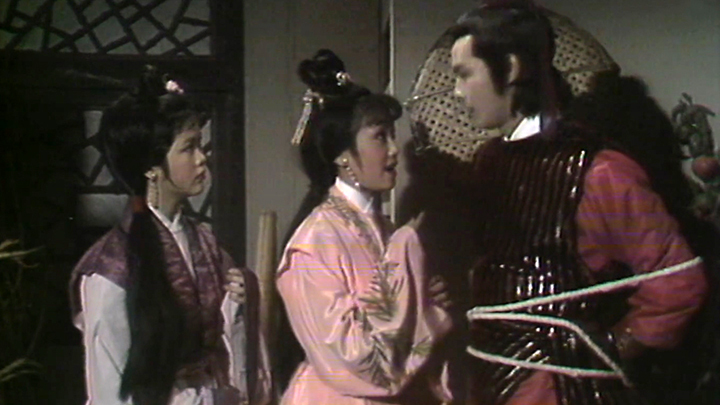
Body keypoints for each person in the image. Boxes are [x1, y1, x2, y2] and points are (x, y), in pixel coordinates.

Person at [428, 1, 710, 403]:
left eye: (464, 74)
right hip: (490, 379)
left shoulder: (598, 170)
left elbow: (678, 282)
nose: (457, 92)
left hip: (561, 389)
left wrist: (609, 348)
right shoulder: (489, 162)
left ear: (511, 68)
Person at [69, 66, 271, 405]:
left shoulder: (205, 244)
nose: (202, 159)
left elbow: (224, 344)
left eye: (201, 146)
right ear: (151, 167)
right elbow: (110, 388)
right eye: (189, 148)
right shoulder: (112, 267)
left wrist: (240, 303)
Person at [276, 49, 453, 405]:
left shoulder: (388, 230)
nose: (394, 150)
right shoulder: (313, 243)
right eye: (379, 137)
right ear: (343, 155)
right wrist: (409, 268)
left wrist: (430, 300)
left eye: (392, 135)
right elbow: (354, 356)